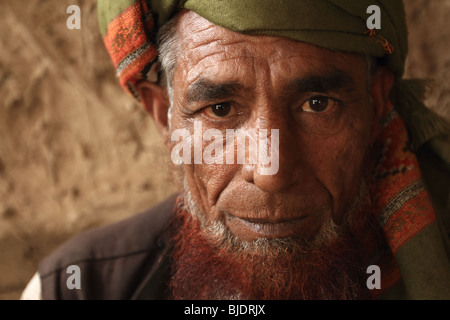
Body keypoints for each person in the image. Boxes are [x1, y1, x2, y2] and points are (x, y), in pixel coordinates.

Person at [21, 0, 450, 300]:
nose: (270, 172)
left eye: (317, 104)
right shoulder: (78, 288)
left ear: (376, 104)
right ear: (164, 119)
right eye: (220, 109)